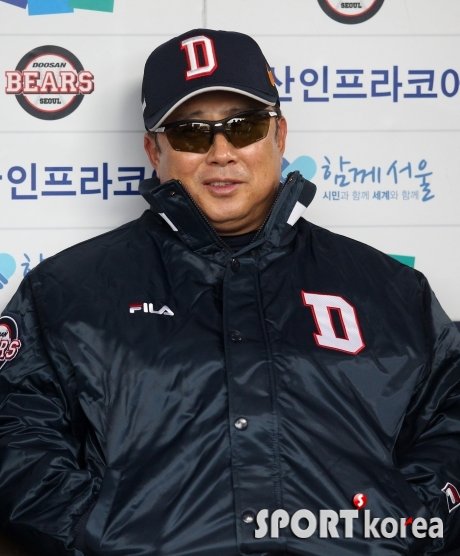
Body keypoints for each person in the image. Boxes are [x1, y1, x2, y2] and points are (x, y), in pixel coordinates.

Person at [0, 28, 459, 556]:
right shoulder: (66, 293)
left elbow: (449, 420)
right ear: (153, 149)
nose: (221, 153)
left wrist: (408, 526)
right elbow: (18, 442)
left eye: (244, 127)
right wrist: (98, 536)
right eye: (192, 133)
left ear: (279, 134)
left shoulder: (389, 290)